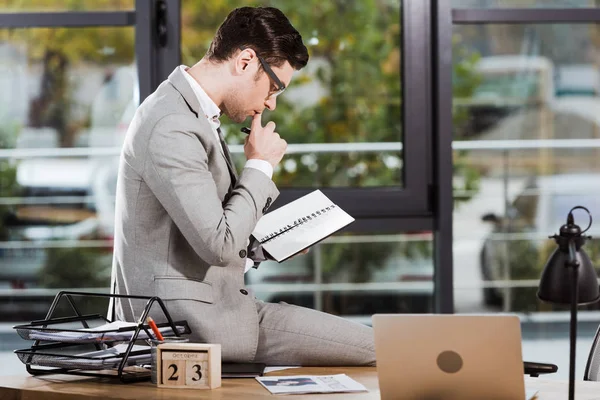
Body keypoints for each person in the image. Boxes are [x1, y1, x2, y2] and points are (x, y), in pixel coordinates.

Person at [109, 6, 375, 366]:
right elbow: (219, 245)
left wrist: (268, 244)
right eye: (275, 86)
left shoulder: (195, 114)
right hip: (191, 326)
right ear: (246, 61)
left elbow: (210, 229)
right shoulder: (171, 123)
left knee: (378, 344)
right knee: (380, 347)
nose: (271, 102)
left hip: (223, 308)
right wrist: (260, 164)